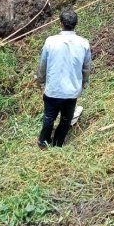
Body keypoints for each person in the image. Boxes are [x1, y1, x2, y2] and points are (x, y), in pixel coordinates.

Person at [36, 9, 92, 148]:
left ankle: (43, 142)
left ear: (61, 23)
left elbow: (43, 64)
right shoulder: (84, 43)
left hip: (53, 89)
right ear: (76, 24)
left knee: (49, 117)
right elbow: (86, 68)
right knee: (66, 119)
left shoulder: (50, 41)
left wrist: (40, 80)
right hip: (72, 91)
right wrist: (83, 83)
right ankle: (58, 143)